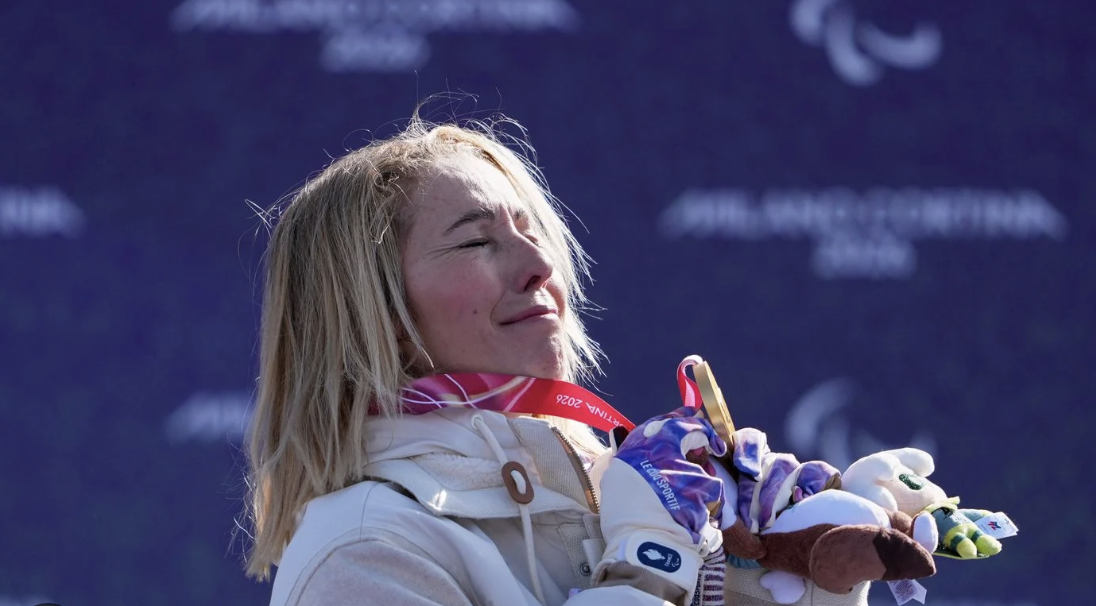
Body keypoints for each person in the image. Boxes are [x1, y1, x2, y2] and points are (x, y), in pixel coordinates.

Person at [242, 110, 870, 606]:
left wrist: (807, 561)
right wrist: (646, 562)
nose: (540, 266)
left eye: (531, 231)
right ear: (376, 317)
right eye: (476, 241)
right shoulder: (366, 549)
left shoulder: (616, 492)